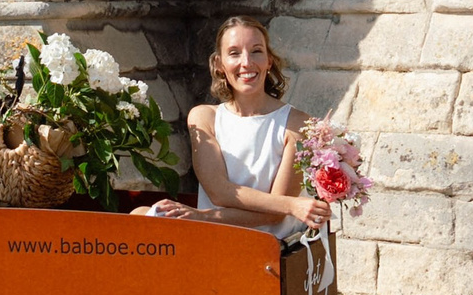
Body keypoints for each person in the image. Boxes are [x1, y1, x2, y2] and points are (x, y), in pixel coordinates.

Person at [140, 16, 332, 236]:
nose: (246, 62)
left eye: (256, 51)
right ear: (219, 64)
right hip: (214, 236)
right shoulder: (203, 117)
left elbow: (274, 214)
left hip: (268, 244)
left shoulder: (298, 124)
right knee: (140, 214)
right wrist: (291, 205)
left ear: (269, 60)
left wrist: (202, 216)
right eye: (234, 53)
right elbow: (220, 193)